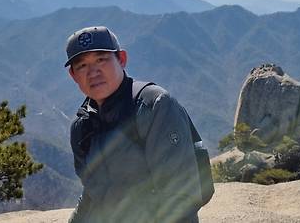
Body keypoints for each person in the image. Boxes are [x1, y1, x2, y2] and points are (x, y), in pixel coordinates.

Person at [65, 25, 203, 223]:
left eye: (101, 59)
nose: (93, 72)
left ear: (121, 59)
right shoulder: (81, 127)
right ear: (73, 75)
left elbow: (180, 195)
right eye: (82, 66)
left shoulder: (154, 106)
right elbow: (92, 194)